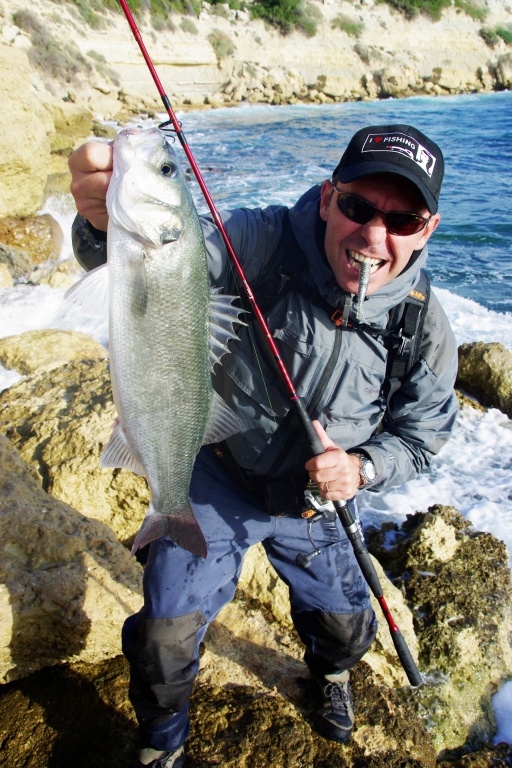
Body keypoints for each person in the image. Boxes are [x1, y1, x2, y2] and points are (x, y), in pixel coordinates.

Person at [69, 123, 459, 768]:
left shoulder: (423, 323)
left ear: (429, 228)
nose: (372, 235)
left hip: (317, 506)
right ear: (330, 198)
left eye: (403, 219)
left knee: (343, 629)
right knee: (164, 636)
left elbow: (424, 435)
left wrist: (361, 469)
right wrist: (99, 229)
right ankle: (161, 742)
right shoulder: (261, 239)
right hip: (219, 476)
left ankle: (330, 678)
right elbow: (165, 268)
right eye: (359, 207)